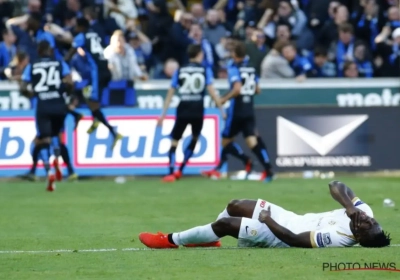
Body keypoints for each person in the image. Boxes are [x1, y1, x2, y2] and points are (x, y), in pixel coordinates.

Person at [139, 181, 391, 249]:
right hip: (289, 216)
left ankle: (170, 240)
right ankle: (205, 238)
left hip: (278, 234)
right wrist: (349, 206)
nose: (369, 219)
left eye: (367, 225)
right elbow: (336, 185)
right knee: (235, 204)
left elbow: (293, 239)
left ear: (357, 235)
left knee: (226, 224)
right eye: (373, 220)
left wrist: (268, 221)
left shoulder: (339, 238)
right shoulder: (362, 212)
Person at [202, 42, 273, 182]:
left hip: (237, 109)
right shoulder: (251, 69)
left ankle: (241, 162)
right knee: (252, 142)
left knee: (225, 141)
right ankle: (268, 170)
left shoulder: (234, 68)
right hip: (249, 109)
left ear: (234, 55)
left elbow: (237, 88)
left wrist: (223, 99)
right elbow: (258, 90)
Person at [157, 44, 225, 182]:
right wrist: (221, 109)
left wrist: (163, 114)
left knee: (175, 140)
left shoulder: (180, 70)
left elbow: (171, 92)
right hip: (198, 108)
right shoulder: (204, 70)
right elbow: (212, 90)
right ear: (199, 54)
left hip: (183, 107)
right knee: (195, 138)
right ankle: (180, 170)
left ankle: (170, 172)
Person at [19, 41, 74, 191]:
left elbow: (23, 86)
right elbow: (70, 82)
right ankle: (57, 159)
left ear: (38, 50)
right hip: (58, 105)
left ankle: (49, 169)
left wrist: (32, 94)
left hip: (42, 105)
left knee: (43, 138)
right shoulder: (59, 63)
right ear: (50, 50)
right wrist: (65, 94)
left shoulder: (32, 65)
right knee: (57, 135)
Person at [65, 18, 122, 149]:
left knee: (91, 101)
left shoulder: (81, 36)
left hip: (98, 73)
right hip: (105, 70)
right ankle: (96, 120)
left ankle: (111, 130)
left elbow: (70, 54)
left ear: (80, 27)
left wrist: (60, 63)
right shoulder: (95, 34)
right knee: (89, 96)